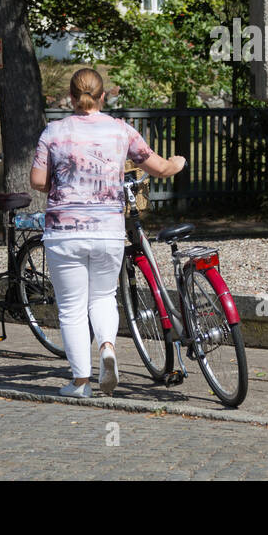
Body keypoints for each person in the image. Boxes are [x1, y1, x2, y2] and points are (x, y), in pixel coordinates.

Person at [29, 67, 185, 397]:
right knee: (103, 298)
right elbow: (159, 168)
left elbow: (38, 182)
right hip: (108, 231)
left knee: (71, 308)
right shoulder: (120, 131)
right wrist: (178, 162)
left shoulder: (52, 132)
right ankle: (108, 348)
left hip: (63, 232)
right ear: (103, 96)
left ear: (70, 98)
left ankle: (80, 382)